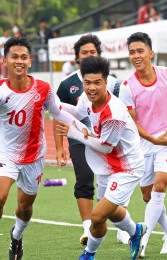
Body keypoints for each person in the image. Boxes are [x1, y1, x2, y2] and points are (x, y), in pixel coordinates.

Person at [0, 36, 86, 260]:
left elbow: (58, 111)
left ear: (30, 61)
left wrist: (82, 125)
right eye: (14, 56)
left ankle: (16, 237)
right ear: (4, 60)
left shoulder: (43, 88)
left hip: (34, 156)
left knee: (25, 208)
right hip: (5, 153)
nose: (19, 61)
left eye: (23, 57)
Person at [55, 56, 147, 260]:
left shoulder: (113, 112)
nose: (92, 88)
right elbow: (77, 113)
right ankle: (136, 231)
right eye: (87, 83)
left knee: (97, 216)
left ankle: (88, 255)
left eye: (97, 82)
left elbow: (105, 147)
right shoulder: (86, 97)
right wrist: (53, 104)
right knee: (113, 212)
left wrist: (75, 134)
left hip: (127, 168)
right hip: (107, 167)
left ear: (106, 82)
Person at [119, 32, 167, 257]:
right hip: (144, 143)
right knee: (147, 196)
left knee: (160, 186)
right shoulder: (127, 86)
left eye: (140, 51)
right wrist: (151, 139)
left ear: (151, 53)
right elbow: (131, 121)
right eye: (132, 52)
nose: (136, 56)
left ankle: (143, 240)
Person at [53, 34, 122, 247]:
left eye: (92, 52)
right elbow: (58, 114)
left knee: (113, 182)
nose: (88, 56)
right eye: (84, 53)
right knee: (84, 178)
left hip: (108, 138)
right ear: (76, 58)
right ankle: (87, 228)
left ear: (99, 55)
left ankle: (123, 227)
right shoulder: (67, 84)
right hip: (79, 139)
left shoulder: (115, 83)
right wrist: (59, 147)